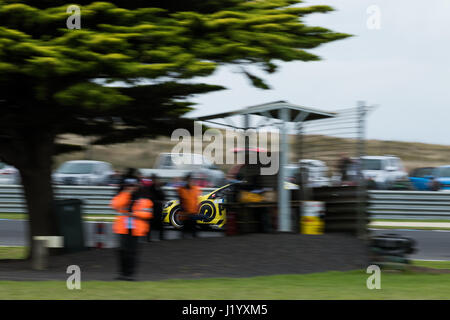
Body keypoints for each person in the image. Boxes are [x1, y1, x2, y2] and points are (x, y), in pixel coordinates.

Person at [111, 178, 153, 281]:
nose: (131, 188)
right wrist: (126, 194)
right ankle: (122, 274)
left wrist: (134, 214)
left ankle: (130, 274)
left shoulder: (144, 199)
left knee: (132, 252)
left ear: (137, 186)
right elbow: (115, 205)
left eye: (133, 186)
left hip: (136, 229)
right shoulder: (122, 196)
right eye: (128, 186)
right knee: (122, 251)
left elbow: (148, 214)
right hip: (123, 229)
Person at [177, 173, 201, 238]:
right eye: (188, 180)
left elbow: (197, 200)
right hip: (186, 213)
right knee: (185, 230)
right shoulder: (181, 189)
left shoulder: (195, 189)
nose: (189, 181)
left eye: (190, 180)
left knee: (193, 230)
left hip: (193, 212)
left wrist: (197, 209)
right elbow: (180, 201)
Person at [147, 174, 166, 241]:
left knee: (160, 223)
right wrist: (159, 202)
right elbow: (150, 198)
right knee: (151, 223)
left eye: (157, 180)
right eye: (155, 180)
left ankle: (161, 237)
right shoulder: (150, 188)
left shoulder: (159, 188)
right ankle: (149, 238)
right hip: (153, 208)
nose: (156, 181)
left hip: (158, 208)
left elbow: (163, 196)